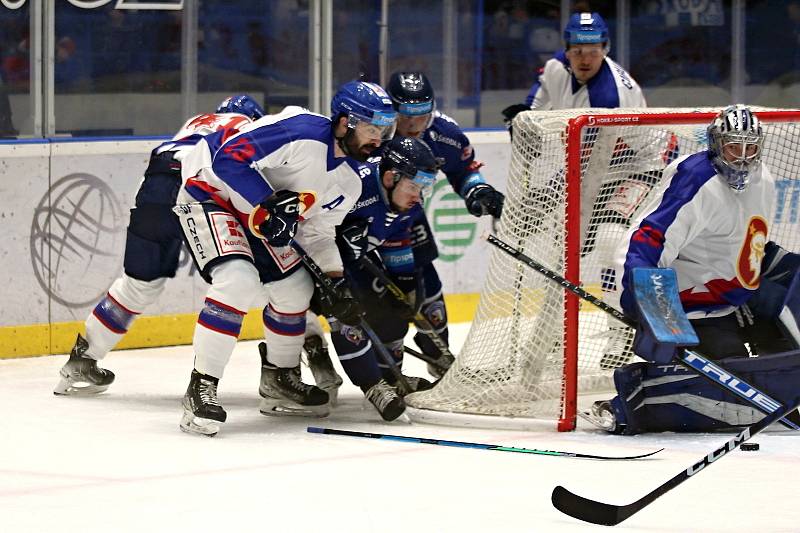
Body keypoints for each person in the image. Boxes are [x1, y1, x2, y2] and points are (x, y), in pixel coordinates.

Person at [173, 81, 397, 436]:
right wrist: (266, 203)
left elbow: (318, 233)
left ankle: (279, 379)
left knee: (295, 288)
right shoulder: (300, 131)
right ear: (344, 122)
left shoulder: (349, 181)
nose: (379, 139)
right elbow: (228, 159)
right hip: (212, 195)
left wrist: (336, 284)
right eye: (372, 129)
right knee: (238, 280)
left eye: (385, 130)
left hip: (259, 218)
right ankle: (201, 387)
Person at [591, 104, 800, 435]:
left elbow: (747, 243)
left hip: (736, 302)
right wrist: (653, 313)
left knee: (782, 372)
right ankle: (633, 400)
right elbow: (647, 243)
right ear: (716, 144)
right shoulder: (697, 180)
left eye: (751, 148)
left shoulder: (764, 180)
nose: (743, 158)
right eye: (734, 147)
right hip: (693, 308)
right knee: (736, 398)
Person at [53, 95, 266, 397]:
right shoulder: (245, 126)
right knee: (240, 276)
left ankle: (82, 358)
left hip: (152, 186)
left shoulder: (197, 121)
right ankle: (232, 376)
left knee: (139, 285)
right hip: (194, 188)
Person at [384, 70, 505, 376]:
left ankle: (439, 358)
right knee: (386, 297)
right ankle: (386, 370)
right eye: (405, 119)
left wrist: (477, 190)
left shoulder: (443, 133)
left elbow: (463, 170)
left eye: (420, 118)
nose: (412, 128)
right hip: (365, 223)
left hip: (409, 218)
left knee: (428, 286)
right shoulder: (372, 132)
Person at [323, 136, 440, 421]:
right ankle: (372, 384)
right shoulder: (354, 186)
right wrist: (337, 237)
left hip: (351, 260)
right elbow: (309, 224)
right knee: (346, 308)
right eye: (414, 186)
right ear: (390, 177)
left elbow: (397, 236)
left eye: (424, 187)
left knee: (392, 305)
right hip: (314, 260)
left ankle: (390, 376)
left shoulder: (405, 204)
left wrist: (403, 283)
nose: (419, 196)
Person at [501, 11, 646, 126]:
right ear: (567, 51)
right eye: (578, 52)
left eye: (593, 52)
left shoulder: (609, 97)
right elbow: (544, 85)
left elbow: (599, 157)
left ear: (604, 51)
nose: (585, 60)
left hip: (638, 156)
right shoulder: (557, 64)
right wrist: (527, 118)